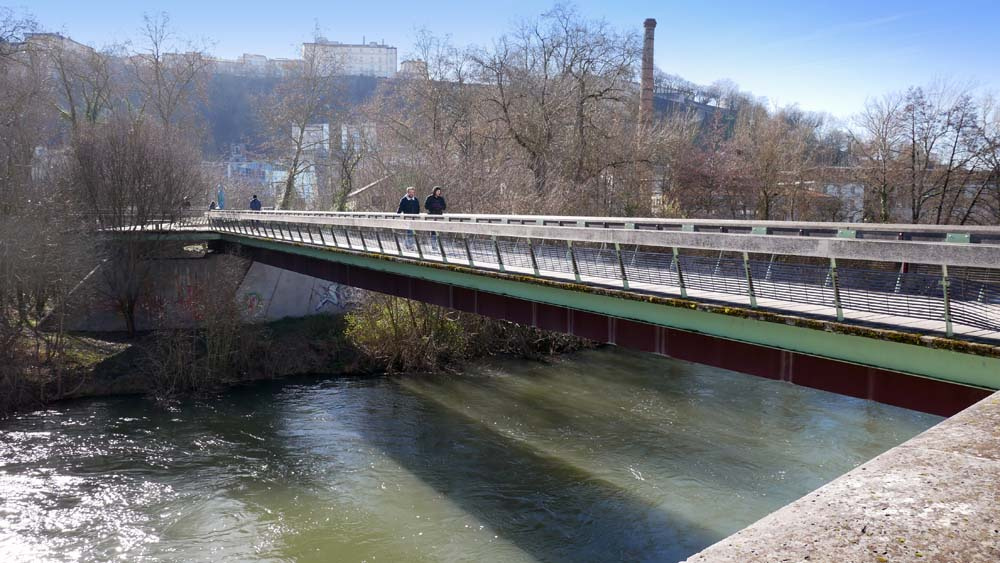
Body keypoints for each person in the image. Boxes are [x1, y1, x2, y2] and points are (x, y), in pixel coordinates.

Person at [396, 187, 420, 251]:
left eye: (413, 192)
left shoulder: (416, 199)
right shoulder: (404, 199)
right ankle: (410, 245)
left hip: (414, 218)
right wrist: (397, 215)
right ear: (407, 192)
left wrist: (417, 217)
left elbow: (418, 209)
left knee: (411, 232)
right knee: (410, 231)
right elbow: (400, 208)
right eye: (410, 192)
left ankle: (406, 244)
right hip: (407, 218)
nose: (412, 193)